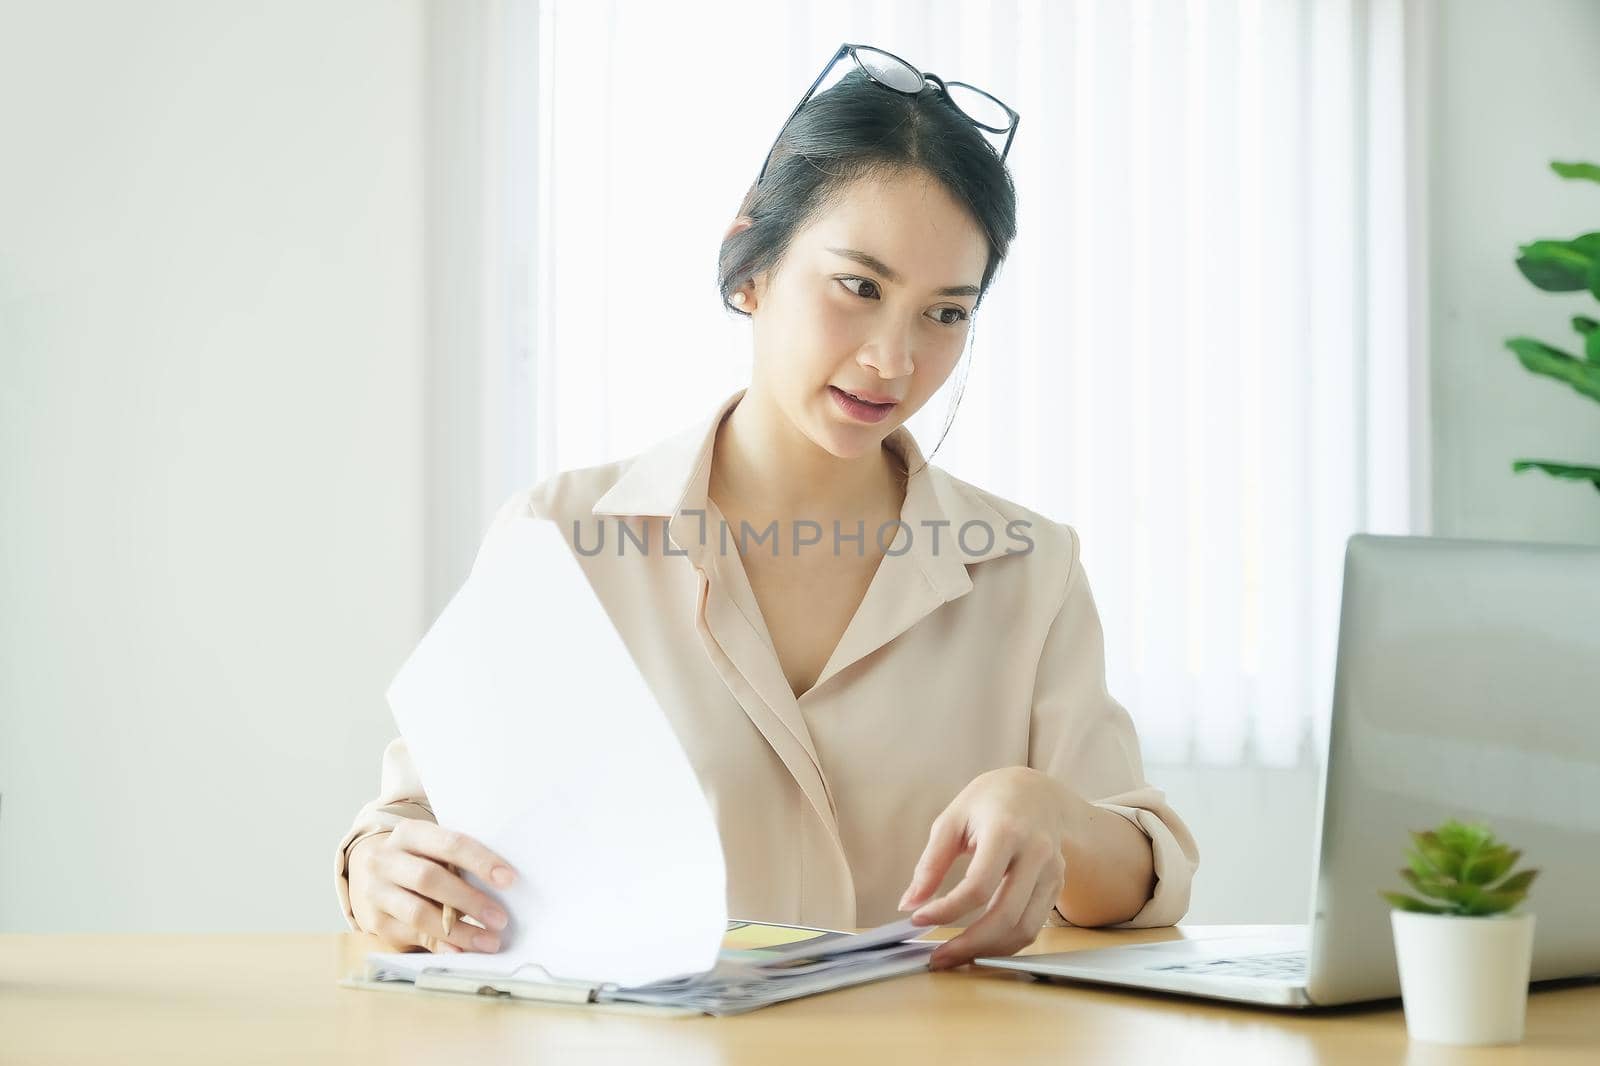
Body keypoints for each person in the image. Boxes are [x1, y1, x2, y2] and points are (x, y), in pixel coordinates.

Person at [337, 51, 1199, 972]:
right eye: (859, 287)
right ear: (750, 267)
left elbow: (1138, 886)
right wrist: (381, 871)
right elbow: (413, 823)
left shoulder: (1028, 567)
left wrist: (1054, 814)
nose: (893, 361)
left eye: (946, 314)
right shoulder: (561, 538)